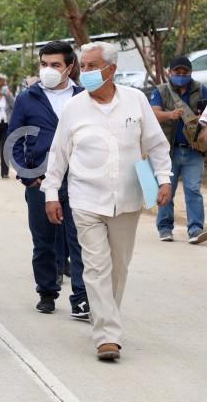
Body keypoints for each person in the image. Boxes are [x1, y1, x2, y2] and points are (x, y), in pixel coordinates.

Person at [42, 41, 172, 361]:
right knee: (96, 267)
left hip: (127, 199)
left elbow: (155, 144)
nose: (84, 72)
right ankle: (107, 335)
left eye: (90, 66)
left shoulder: (135, 101)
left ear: (110, 70)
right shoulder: (74, 107)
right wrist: (50, 193)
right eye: (82, 66)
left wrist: (165, 178)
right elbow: (59, 154)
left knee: (118, 268)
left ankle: (105, 319)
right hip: (86, 199)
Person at [7, 41, 89, 319]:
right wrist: (28, 177)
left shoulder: (84, 96)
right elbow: (14, 141)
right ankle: (47, 291)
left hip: (78, 181)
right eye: (44, 64)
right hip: (40, 181)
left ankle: (81, 297)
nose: (48, 70)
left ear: (69, 67)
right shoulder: (27, 98)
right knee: (43, 242)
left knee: (78, 241)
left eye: (55, 65)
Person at [150, 55, 207, 244]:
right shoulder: (161, 90)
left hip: (194, 150)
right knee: (167, 190)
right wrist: (171, 115)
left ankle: (196, 229)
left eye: (185, 72)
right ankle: (165, 228)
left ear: (190, 73)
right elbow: (153, 113)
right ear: (170, 72)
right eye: (177, 72)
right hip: (168, 151)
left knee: (193, 190)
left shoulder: (201, 89)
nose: (181, 75)